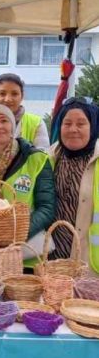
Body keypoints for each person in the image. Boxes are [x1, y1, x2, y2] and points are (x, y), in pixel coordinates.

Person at [0, 104, 55, 259]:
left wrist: (17, 234)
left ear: (12, 126)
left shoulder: (37, 159)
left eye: (4, 120)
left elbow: (47, 208)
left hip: (27, 253)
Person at [49, 97, 99, 275]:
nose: (73, 129)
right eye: (67, 123)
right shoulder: (49, 158)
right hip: (51, 259)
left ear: (93, 126)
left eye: (81, 123)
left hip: (90, 262)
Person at [0, 73, 49, 150]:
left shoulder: (36, 123)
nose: (8, 99)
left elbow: (42, 157)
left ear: (22, 96)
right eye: (2, 94)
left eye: (14, 94)